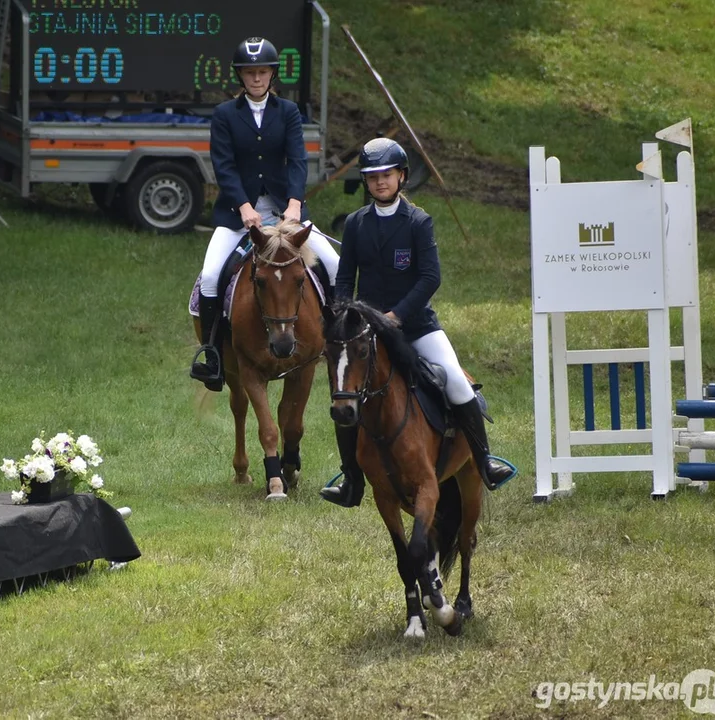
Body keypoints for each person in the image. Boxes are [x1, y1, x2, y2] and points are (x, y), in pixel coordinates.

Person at [320, 137, 513, 507]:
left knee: (457, 381)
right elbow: (345, 278)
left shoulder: (419, 221)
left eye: (387, 175)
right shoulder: (356, 224)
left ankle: (484, 459)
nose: (380, 182)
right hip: (367, 332)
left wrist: (396, 315)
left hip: (416, 325)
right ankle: (351, 478)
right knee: (345, 395)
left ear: (402, 177)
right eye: (373, 176)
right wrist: (344, 314)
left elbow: (430, 278)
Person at [190, 37, 339, 392]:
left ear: (272, 74)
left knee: (334, 263)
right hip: (236, 214)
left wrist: (294, 203)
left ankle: (335, 339)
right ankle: (212, 355)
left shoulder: (288, 112)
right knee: (211, 277)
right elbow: (224, 166)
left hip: (283, 211)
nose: (256, 78)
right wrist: (243, 206)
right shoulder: (225, 115)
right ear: (240, 77)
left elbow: (298, 160)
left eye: (262, 72)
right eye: (249, 72)